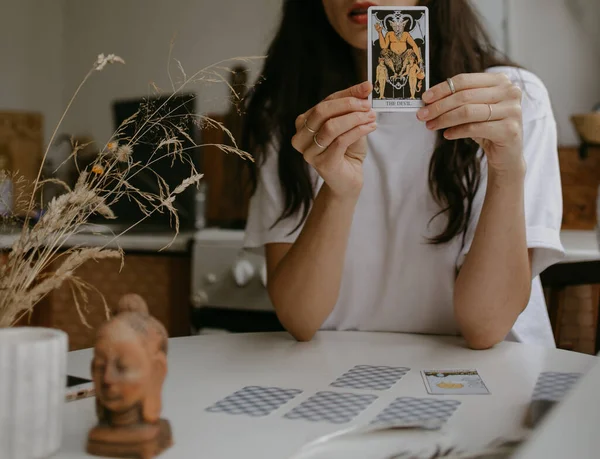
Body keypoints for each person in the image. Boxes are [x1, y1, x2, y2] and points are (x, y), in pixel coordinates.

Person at [242, 0, 563, 349]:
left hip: (488, 371)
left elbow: (486, 326)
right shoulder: (291, 114)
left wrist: (506, 169)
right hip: (340, 371)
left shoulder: (507, 101)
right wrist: (338, 192)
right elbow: (300, 318)